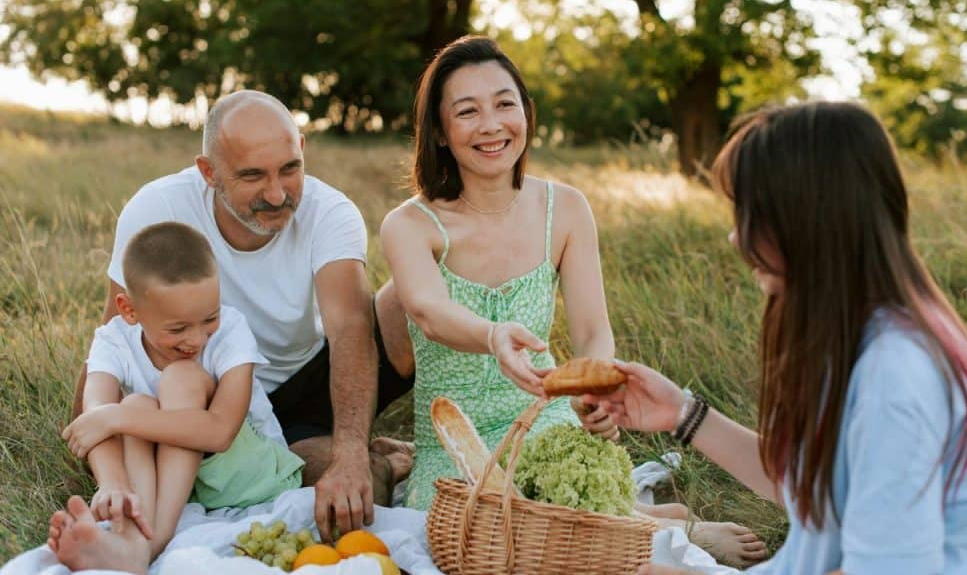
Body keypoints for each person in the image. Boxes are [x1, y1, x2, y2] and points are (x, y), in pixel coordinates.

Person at [380, 35, 766, 567]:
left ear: (526, 113)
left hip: (542, 414)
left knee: (553, 511)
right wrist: (493, 336)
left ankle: (656, 527)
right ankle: (653, 523)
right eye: (467, 112)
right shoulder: (408, 224)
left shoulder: (564, 208)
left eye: (504, 104)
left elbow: (591, 331)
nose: (491, 125)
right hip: (455, 436)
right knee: (481, 529)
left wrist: (595, 390)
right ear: (441, 133)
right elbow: (426, 309)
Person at [585, 101, 967, 574]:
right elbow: (813, 488)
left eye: (749, 213)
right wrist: (681, 414)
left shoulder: (894, 375)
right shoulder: (870, 336)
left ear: (806, 218)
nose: (735, 238)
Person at [69, 90, 415, 544]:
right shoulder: (157, 210)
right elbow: (116, 336)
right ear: (209, 173)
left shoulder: (330, 212)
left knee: (413, 296)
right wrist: (101, 422)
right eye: (253, 176)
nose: (277, 194)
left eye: (290, 169)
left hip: (312, 374)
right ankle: (383, 457)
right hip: (217, 395)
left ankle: (373, 447)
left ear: (303, 150)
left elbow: (351, 330)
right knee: (333, 486)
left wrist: (348, 455)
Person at [49, 222, 303, 574]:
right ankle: (131, 528)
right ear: (129, 310)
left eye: (208, 318)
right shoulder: (113, 339)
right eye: (178, 328)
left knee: (178, 379)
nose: (197, 340)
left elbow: (220, 432)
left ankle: (150, 543)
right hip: (174, 487)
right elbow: (95, 417)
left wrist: (116, 417)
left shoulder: (231, 331)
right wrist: (112, 485)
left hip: (248, 477)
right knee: (135, 404)